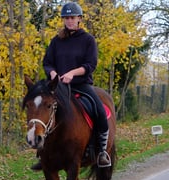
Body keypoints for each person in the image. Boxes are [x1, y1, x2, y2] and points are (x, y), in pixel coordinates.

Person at [31, 1, 111, 170]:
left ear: (79, 19)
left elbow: (91, 65)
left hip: (80, 85)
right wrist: (52, 73)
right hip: (57, 87)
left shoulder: (88, 40)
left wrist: (72, 73)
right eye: (66, 18)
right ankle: (43, 153)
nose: (69, 21)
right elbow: (47, 62)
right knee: (41, 110)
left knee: (100, 112)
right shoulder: (56, 41)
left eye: (72, 17)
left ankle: (102, 151)